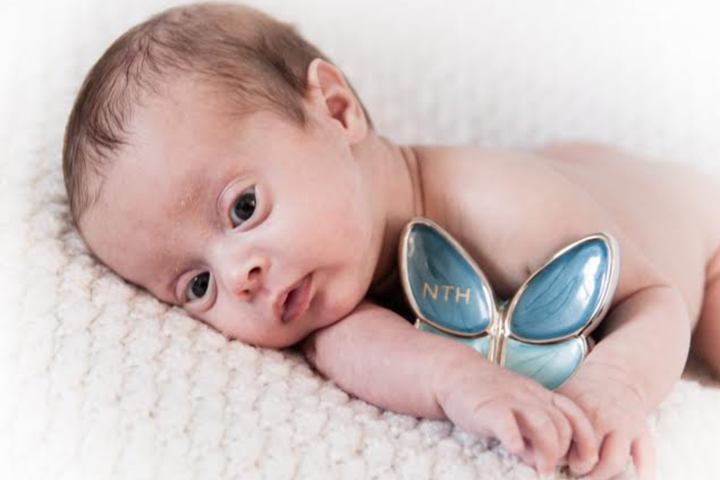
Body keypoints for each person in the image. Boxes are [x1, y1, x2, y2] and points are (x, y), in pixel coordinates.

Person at [62, 3, 720, 479]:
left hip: (696, 234)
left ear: (336, 110)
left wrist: (617, 387)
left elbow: (655, 297)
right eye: (196, 285)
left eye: (243, 206)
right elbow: (371, 354)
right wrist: (463, 383)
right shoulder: (325, 305)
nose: (240, 277)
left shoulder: (497, 205)